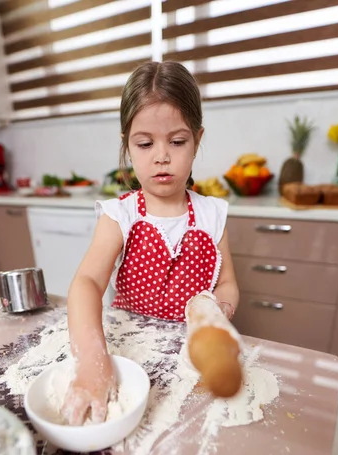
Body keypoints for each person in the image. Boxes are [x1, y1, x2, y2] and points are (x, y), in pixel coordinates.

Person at [62, 60, 239, 426]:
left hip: (192, 360)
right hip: (131, 354)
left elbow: (227, 284)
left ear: (197, 140)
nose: (162, 155)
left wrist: (218, 312)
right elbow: (87, 283)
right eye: (145, 143)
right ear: (127, 144)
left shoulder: (212, 215)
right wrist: (93, 358)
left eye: (177, 141)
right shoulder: (120, 216)